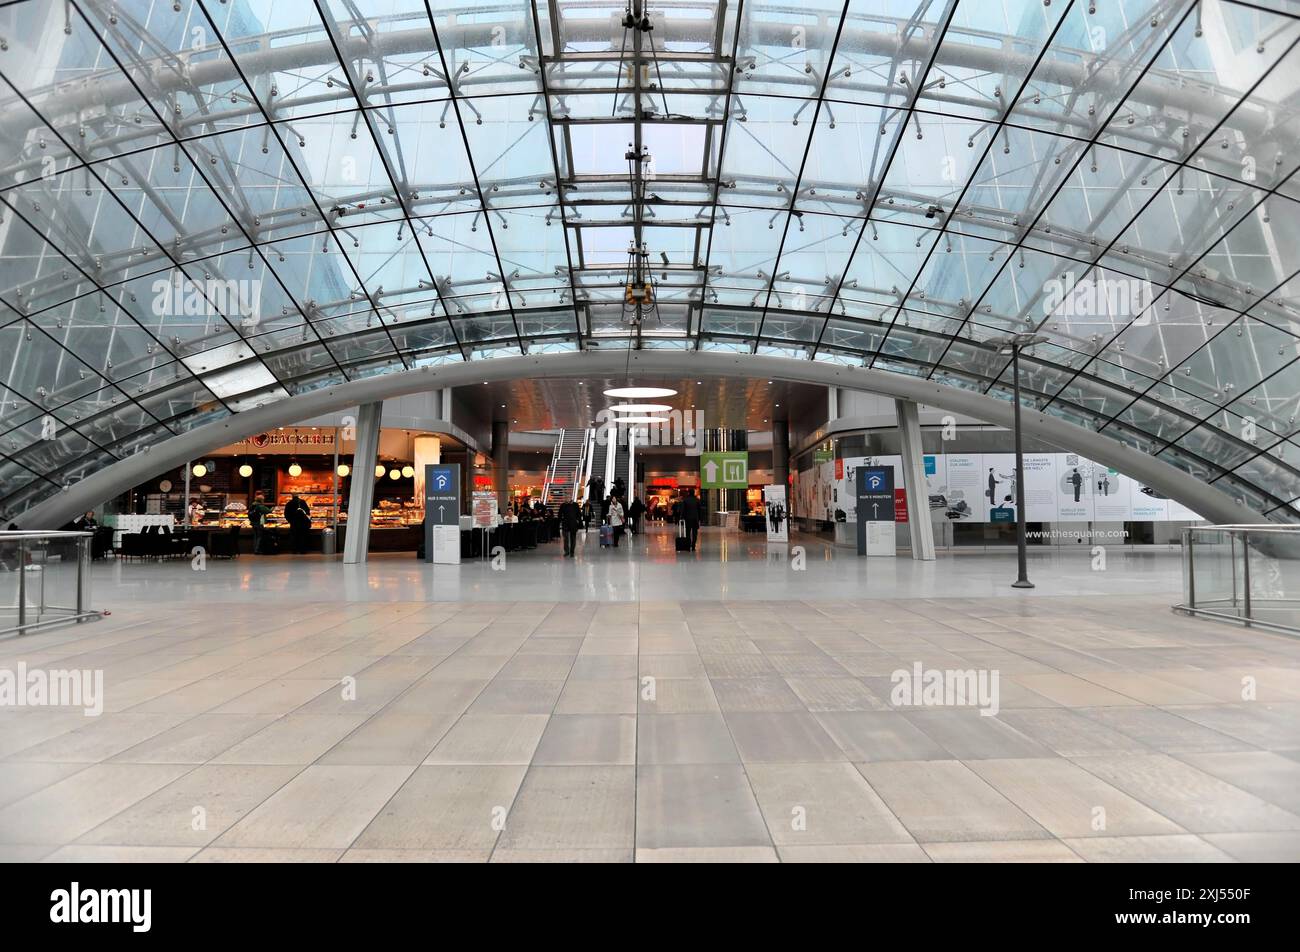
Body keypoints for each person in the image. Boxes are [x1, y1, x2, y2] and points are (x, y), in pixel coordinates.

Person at [680, 486, 702, 551]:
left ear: (688, 493)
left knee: (688, 532)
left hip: (688, 519)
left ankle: (688, 545)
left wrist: (681, 517)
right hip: (695, 519)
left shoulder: (685, 500)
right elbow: (699, 510)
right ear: (694, 493)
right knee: (695, 533)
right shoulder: (697, 500)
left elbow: (683, 510)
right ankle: (693, 546)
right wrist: (700, 519)